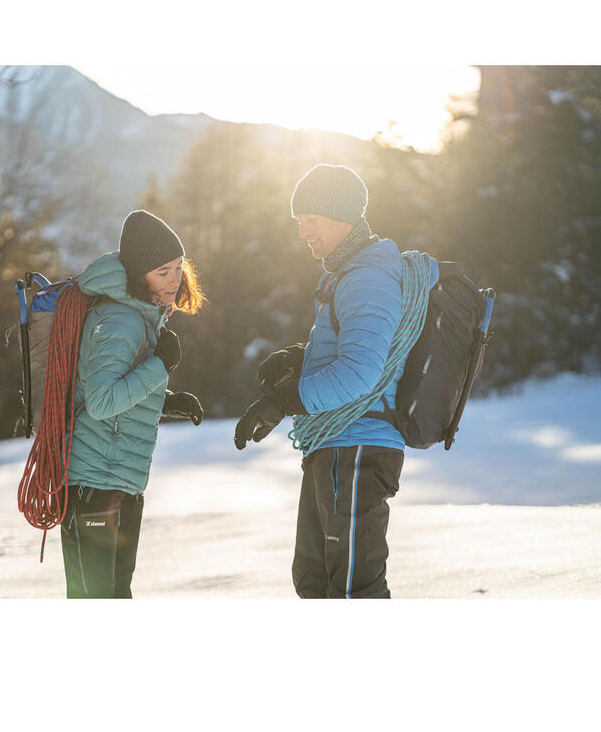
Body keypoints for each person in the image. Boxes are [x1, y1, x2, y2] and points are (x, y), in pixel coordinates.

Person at [234, 164, 438, 599]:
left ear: (343, 214)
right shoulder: (347, 273)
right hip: (336, 446)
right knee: (315, 581)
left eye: (312, 219)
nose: (304, 231)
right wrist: (299, 359)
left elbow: (360, 373)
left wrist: (282, 402)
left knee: (350, 590)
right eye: (299, 222)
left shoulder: (367, 276)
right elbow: (353, 351)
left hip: (357, 445)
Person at [60, 209, 206, 598]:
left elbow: (118, 392)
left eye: (178, 267)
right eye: (163, 271)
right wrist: (162, 366)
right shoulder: (121, 320)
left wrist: (166, 400)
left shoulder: (141, 316)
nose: (175, 279)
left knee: (114, 597)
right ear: (138, 276)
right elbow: (103, 401)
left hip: (118, 483)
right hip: (93, 483)